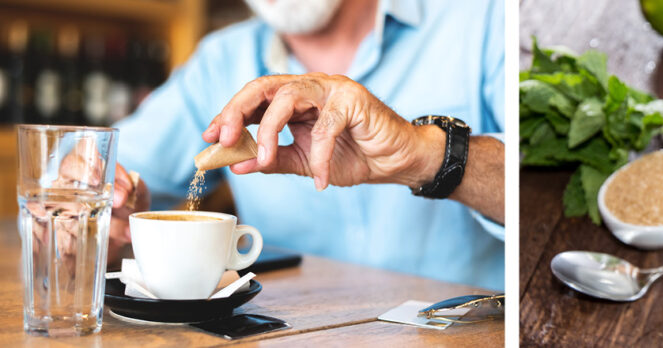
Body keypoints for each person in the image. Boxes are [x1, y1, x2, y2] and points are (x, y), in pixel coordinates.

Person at [107, 0, 505, 290]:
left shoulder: (486, 18)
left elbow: (535, 194)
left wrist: (423, 154)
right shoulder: (220, 61)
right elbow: (111, 173)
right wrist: (101, 199)